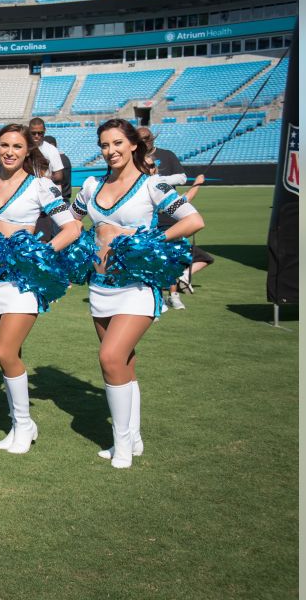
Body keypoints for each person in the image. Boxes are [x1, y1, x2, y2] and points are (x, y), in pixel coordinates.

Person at [70, 119, 205, 469]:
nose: (110, 151)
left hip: (137, 288)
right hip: (100, 287)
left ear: (132, 144)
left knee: (110, 358)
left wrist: (150, 242)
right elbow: (72, 221)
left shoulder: (153, 186)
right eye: (104, 145)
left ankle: (122, 446)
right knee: (124, 365)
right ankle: (134, 437)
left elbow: (193, 221)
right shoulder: (91, 185)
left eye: (117, 143)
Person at [0, 124, 82, 454]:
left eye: (17, 146)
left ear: (28, 150)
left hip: (23, 280)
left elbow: (72, 228)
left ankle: (24, 426)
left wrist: (42, 253)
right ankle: (19, 424)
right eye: (4, 145)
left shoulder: (40, 186)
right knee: (8, 355)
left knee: (4, 353)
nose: (10, 151)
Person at [135, 126, 211, 310]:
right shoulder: (135, 162)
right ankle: (157, 299)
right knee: (155, 260)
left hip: (169, 218)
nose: (144, 142)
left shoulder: (167, 157)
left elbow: (183, 187)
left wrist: (159, 182)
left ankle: (174, 294)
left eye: (147, 138)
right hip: (147, 221)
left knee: (172, 258)